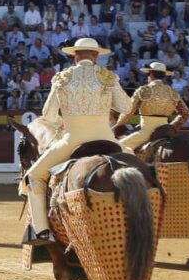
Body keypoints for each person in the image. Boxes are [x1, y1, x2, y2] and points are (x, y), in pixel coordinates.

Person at [23, 37, 131, 245]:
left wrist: (65, 120)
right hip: (108, 139)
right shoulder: (107, 77)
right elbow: (125, 107)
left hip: (73, 140)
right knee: (142, 170)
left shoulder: (62, 78)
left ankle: (42, 231)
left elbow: (49, 115)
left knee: (34, 175)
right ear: (96, 56)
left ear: (74, 56)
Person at [118, 62, 189, 151]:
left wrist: (118, 124)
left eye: (148, 74)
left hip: (146, 132)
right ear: (163, 75)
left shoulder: (144, 90)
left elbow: (128, 111)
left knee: (118, 147)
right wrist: (171, 127)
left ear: (151, 74)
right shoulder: (173, 92)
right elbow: (186, 114)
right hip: (165, 132)